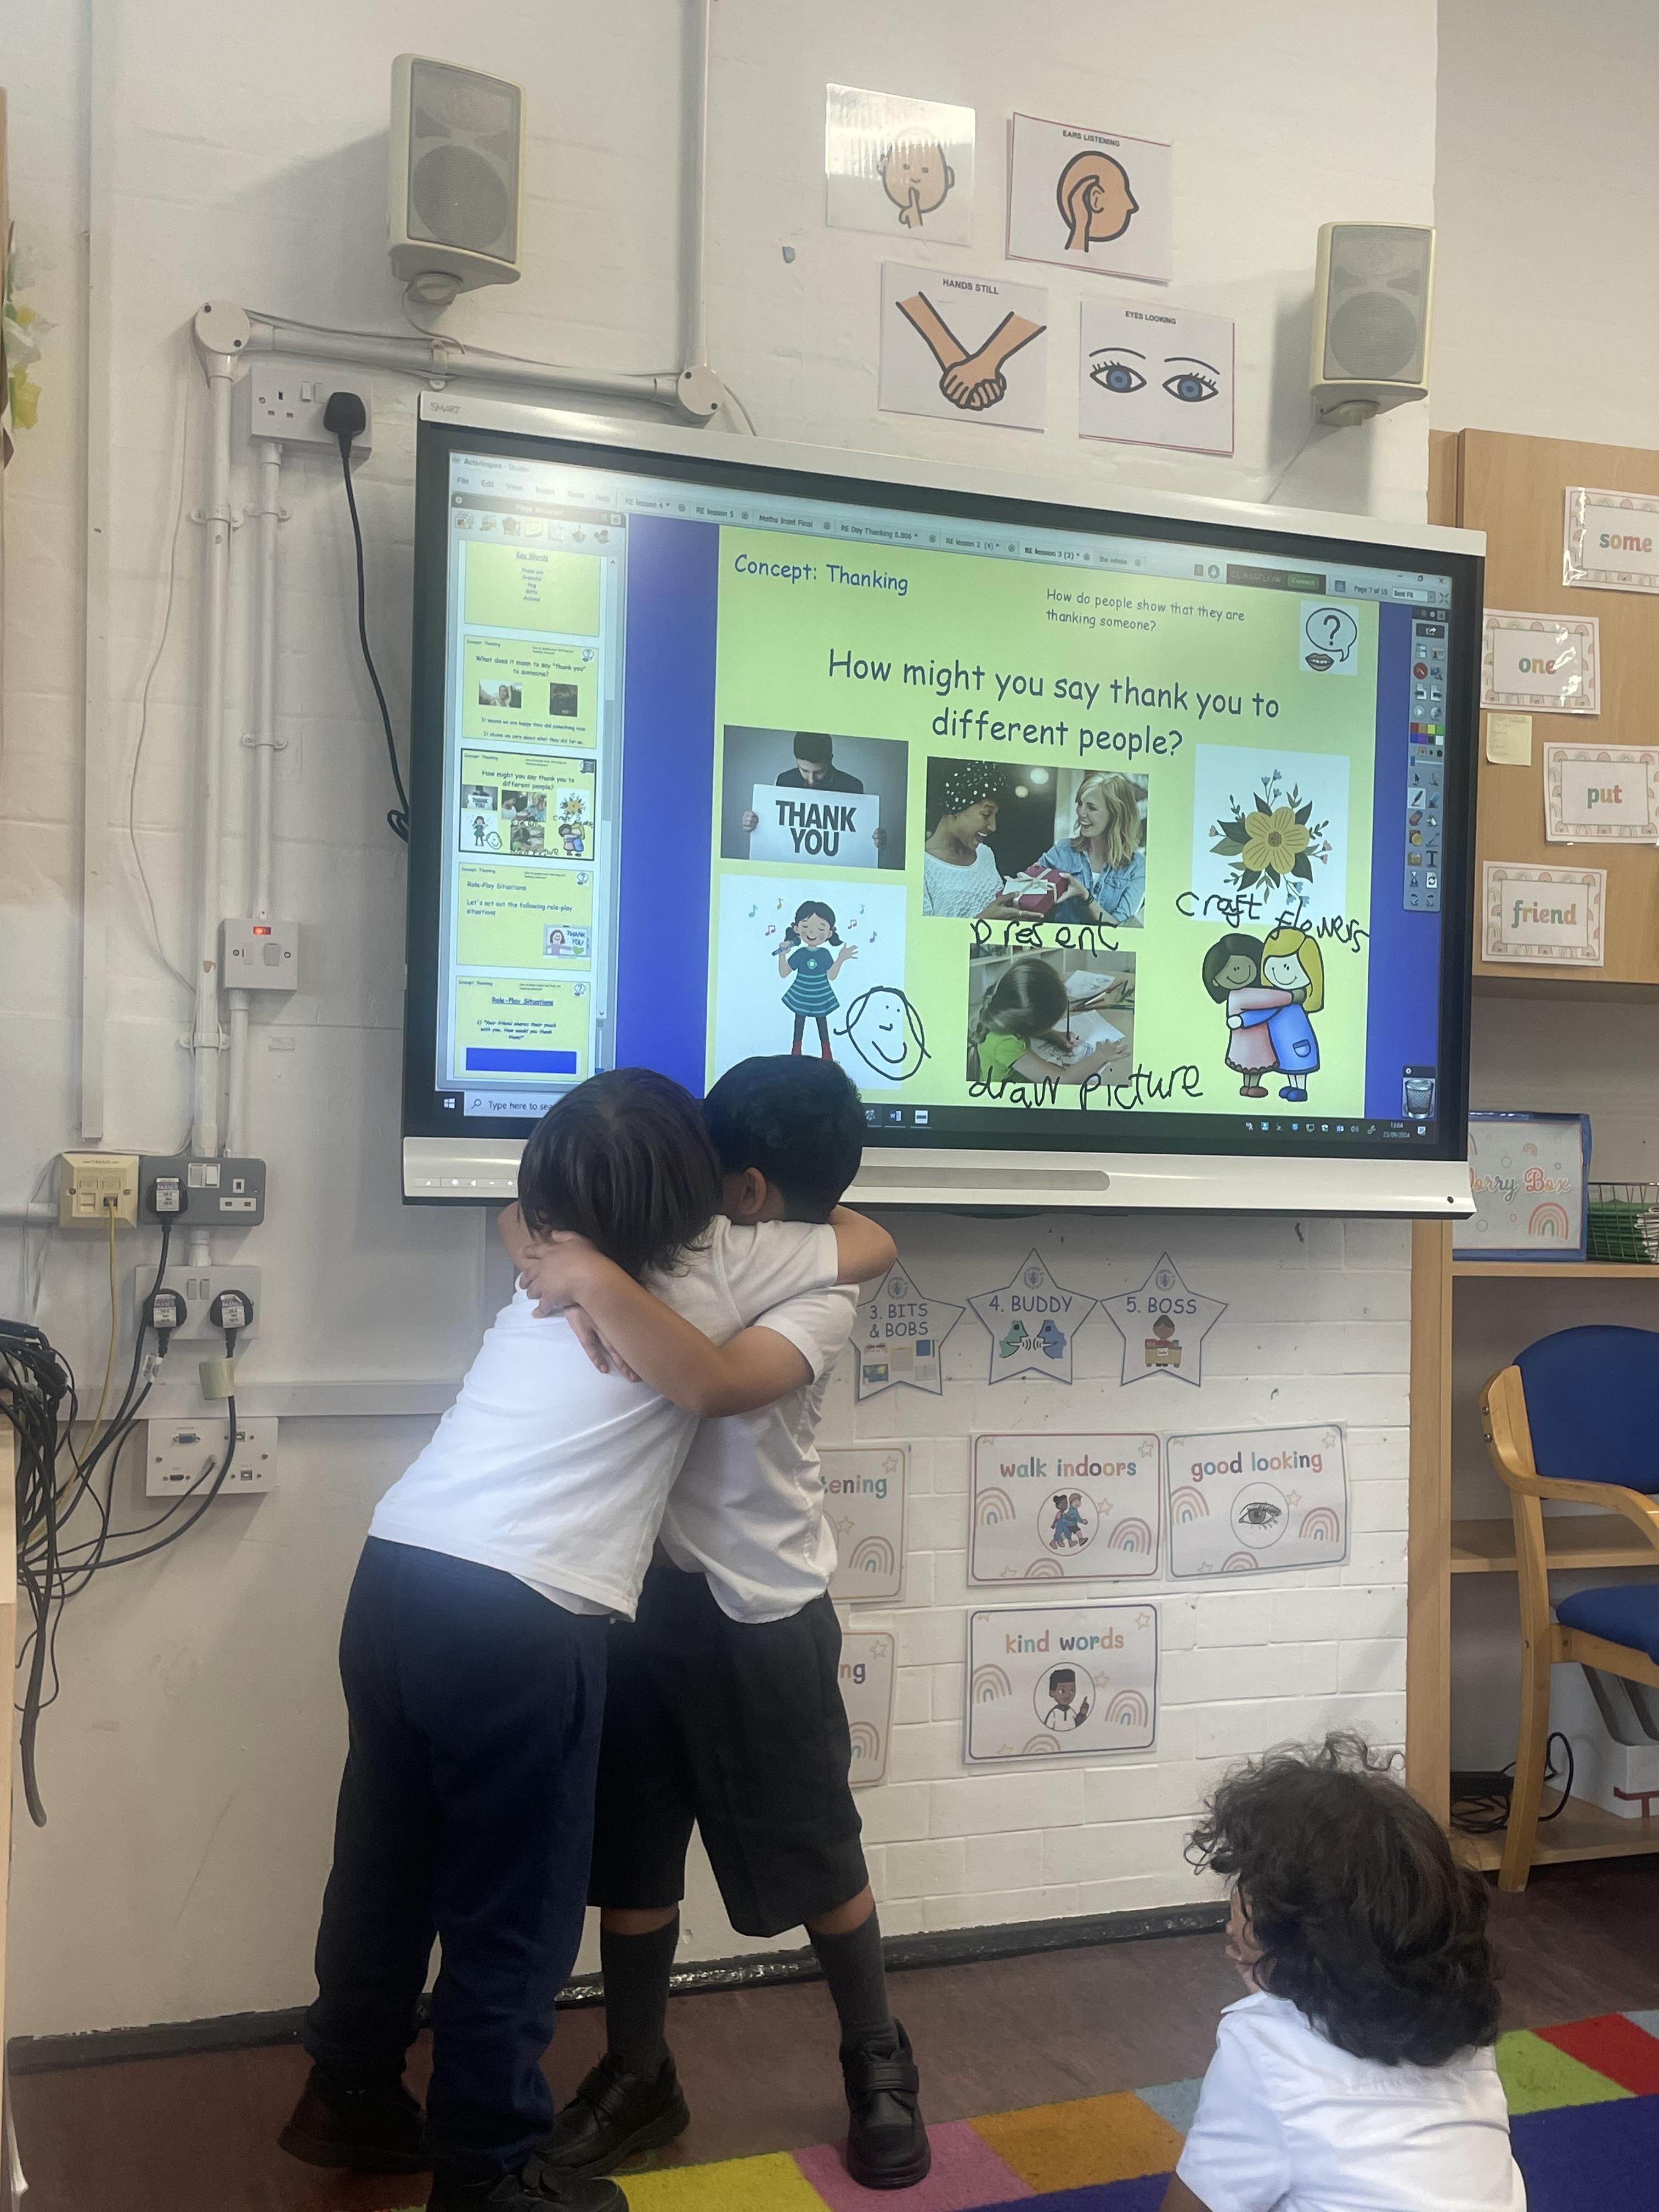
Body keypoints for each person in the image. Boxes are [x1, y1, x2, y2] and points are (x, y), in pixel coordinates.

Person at [279, 1067, 895, 2212]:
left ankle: (349, 2086)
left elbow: (517, 1211)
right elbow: (871, 1242)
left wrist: (570, 1263)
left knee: (385, 1858)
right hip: (519, 1612)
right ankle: (488, 2170)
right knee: (512, 1909)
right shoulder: (720, 1260)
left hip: (398, 1570)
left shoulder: (554, 1251)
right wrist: (602, 1276)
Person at [514, 1058, 931, 2194]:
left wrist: (585, 1280)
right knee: (632, 1856)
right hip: (636, 1597)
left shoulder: (812, 1288)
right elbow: (523, 1214)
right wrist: (571, 1269)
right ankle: (639, 2073)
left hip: (763, 1610)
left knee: (818, 1852)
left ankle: (877, 2059)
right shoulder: (666, 1248)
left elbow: (710, 1377)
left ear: (744, 1186)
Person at [1163, 1735, 1522, 2212]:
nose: (1232, 1907)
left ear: (1290, 1923)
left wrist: (1270, 2015)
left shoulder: (1260, 2048)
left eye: (1246, 1885)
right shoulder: (1459, 2029)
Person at [969, 957, 1128, 1088]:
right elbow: (1063, 1081)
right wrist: (1101, 1056)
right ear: (1033, 1025)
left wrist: (1053, 1035)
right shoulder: (1006, 1045)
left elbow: (1024, 1028)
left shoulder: (1001, 1009)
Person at [741, 732, 887, 856]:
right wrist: (755, 824)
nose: (811, 779)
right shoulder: (784, 781)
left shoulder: (852, 786)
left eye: (819, 772)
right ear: (796, 760)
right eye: (804, 771)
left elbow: (860, 838)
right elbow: (775, 827)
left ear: (830, 760)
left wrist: (876, 840)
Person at [1036, 772, 1147, 927]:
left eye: (1092, 808)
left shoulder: (1138, 867)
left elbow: (1120, 928)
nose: (1081, 812)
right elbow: (1031, 887)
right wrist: (1024, 883)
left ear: (1115, 814)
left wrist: (1086, 897)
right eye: (1080, 804)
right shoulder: (1063, 850)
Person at [1228, 926, 1323, 1104]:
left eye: (1287, 967)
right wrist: (1242, 1020)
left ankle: (1300, 1089)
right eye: (1273, 965)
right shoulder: (1279, 999)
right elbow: (1265, 1013)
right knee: (1289, 1063)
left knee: (1298, 1063)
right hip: (1282, 1044)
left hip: (1298, 1041)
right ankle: (1293, 1087)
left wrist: (1242, 1020)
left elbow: (1266, 1013)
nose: (1279, 972)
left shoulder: (1289, 1003)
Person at [922, 761, 1027, 919]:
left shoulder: (985, 854)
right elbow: (921, 934)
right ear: (955, 808)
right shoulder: (921, 866)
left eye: (995, 816)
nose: (993, 827)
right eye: (986, 814)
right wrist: (982, 922)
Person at [778, 900, 858, 1059]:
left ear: (830, 933)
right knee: (799, 1024)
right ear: (797, 929)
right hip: (801, 995)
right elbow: (785, 973)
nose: (812, 933)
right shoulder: (800, 953)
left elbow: (832, 976)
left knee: (822, 1024)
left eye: (821, 928)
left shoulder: (824, 954)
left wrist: (841, 959)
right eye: (806, 926)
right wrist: (782, 955)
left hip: (820, 996)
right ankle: (796, 1054)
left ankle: (827, 1055)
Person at [1200, 934, 1275, 1099]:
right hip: (1255, 1040)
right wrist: (1292, 997)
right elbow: (1269, 1002)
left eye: (1243, 965)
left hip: (1245, 1041)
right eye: (1230, 968)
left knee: (1249, 1064)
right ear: (1216, 981)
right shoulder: (1243, 995)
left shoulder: (1236, 995)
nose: (1237, 971)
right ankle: (1252, 1086)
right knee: (1254, 1063)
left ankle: (1248, 1086)